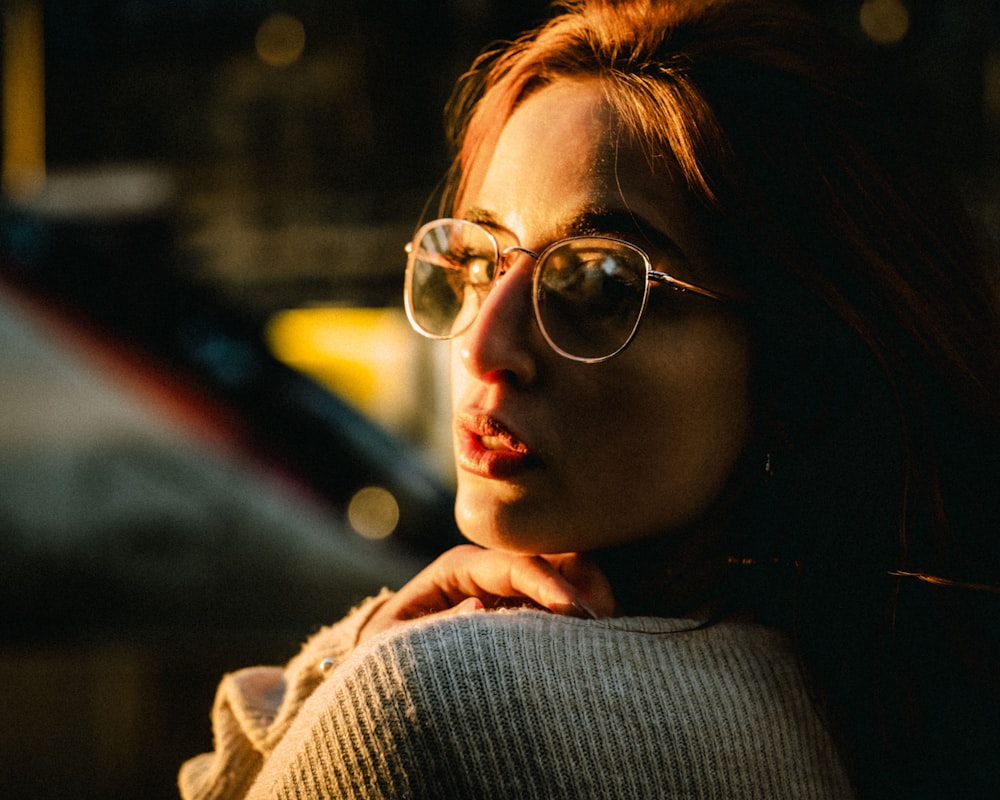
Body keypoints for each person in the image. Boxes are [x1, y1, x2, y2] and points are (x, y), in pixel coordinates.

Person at [179, 1, 1000, 797]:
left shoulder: (438, 711)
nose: (481, 345)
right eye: (477, 260)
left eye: (599, 282)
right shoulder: (901, 700)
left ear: (802, 363)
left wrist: (356, 675)